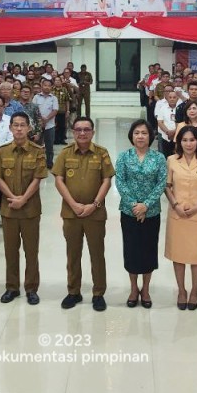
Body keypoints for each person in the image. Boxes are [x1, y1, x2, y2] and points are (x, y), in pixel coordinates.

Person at [53, 116, 114, 311]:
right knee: (73, 254)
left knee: (97, 254)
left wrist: (94, 204)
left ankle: (98, 293)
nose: (82, 133)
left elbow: (106, 180)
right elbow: (59, 180)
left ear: (93, 132)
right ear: (73, 132)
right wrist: (74, 204)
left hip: (95, 214)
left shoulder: (102, 153)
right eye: (78, 129)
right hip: (71, 214)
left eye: (86, 129)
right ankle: (73, 291)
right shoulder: (65, 154)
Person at [0, 111, 48, 305]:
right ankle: (12, 287)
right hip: (9, 209)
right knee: (10, 251)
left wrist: (23, 199)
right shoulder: (2, 151)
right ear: (10, 128)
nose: (18, 128)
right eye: (15, 125)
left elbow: (38, 178)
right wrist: (11, 198)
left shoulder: (37, 151)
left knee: (31, 251)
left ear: (29, 128)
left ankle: (31, 288)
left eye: (22, 125)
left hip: (30, 209)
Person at [114, 120, 166, 309]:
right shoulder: (123, 157)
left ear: (150, 136)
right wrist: (135, 205)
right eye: (137, 133)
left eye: (144, 133)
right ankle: (133, 288)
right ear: (132, 136)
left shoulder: (159, 158)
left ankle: (146, 289)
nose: (140, 136)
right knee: (132, 250)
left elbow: (161, 183)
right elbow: (120, 182)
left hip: (152, 212)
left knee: (148, 251)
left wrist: (146, 205)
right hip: (129, 211)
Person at [164, 126, 197, 311]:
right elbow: (167, 186)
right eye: (184, 140)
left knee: (196, 256)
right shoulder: (171, 161)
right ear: (179, 142)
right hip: (177, 214)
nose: (188, 143)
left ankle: (194, 291)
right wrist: (176, 205)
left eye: (192, 140)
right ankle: (182, 290)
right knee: (178, 254)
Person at [32, 78, 59, 168]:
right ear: (41, 86)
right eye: (45, 85)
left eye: (49, 85)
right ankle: (36, 162)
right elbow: (34, 109)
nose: (47, 87)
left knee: (49, 146)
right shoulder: (36, 97)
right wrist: (41, 119)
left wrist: (46, 119)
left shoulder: (54, 98)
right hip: (38, 126)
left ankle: (49, 163)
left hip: (50, 125)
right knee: (36, 145)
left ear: (51, 87)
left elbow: (55, 110)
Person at [155, 88, 180, 158]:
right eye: (170, 97)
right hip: (165, 136)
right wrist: (167, 131)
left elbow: (182, 122)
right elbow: (160, 122)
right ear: (167, 98)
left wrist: (174, 131)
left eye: (174, 97)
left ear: (177, 98)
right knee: (165, 156)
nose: (172, 99)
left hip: (177, 136)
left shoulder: (180, 108)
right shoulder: (163, 108)